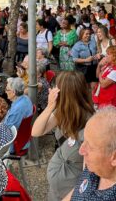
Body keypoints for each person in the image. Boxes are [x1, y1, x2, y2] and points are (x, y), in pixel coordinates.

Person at [32, 71, 95, 201]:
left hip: (68, 192)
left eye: (56, 87)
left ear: (64, 93)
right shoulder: (63, 112)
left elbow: (88, 173)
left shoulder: (90, 125)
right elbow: (36, 131)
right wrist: (49, 107)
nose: (53, 89)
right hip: (57, 188)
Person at [3, 77, 33, 151]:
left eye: (7, 89)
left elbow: (8, 133)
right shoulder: (25, 98)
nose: (5, 91)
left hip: (16, 142)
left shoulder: (17, 109)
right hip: (23, 135)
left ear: (13, 92)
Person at [93, 45, 116, 109]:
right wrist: (99, 65)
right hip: (103, 99)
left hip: (111, 103)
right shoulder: (109, 65)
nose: (106, 56)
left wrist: (100, 74)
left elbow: (103, 84)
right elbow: (97, 76)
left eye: (108, 54)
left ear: (114, 56)